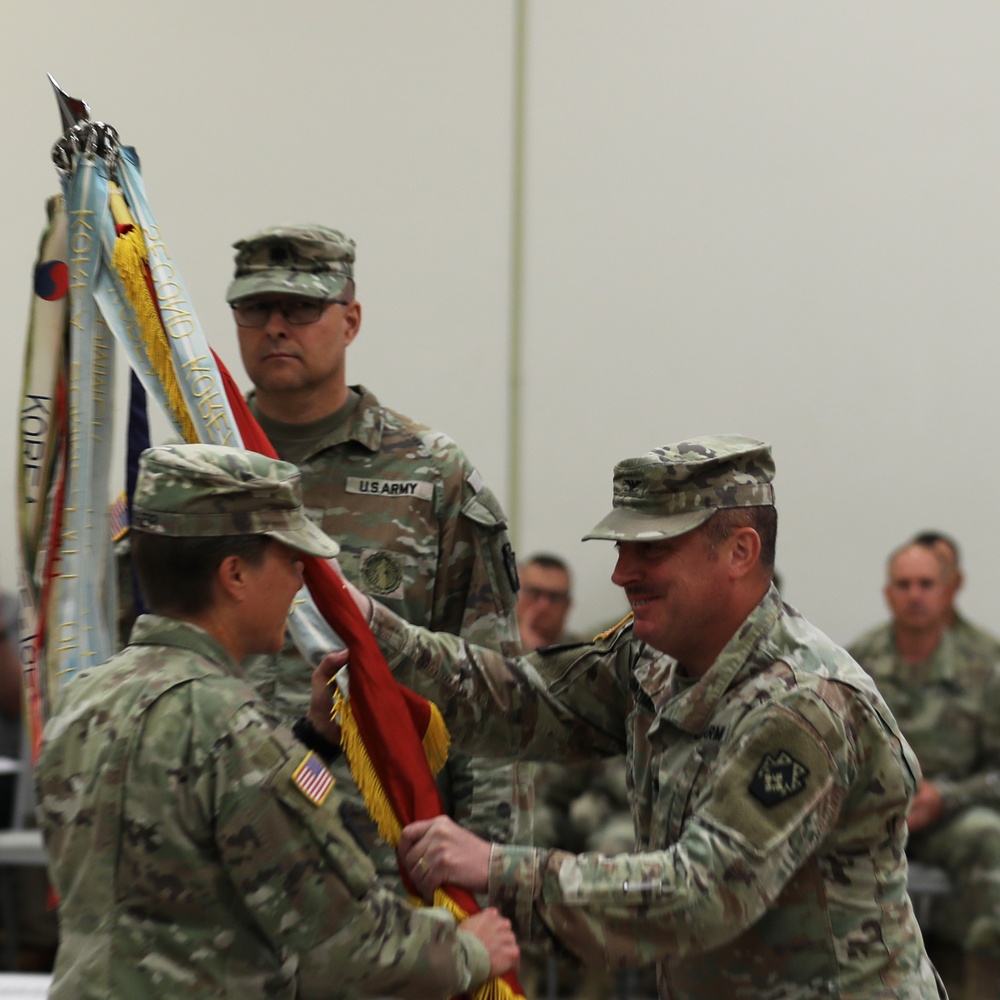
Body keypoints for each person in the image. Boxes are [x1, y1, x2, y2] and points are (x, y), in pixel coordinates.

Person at [328, 434, 944, 999]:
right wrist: (375, 635)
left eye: (651, 549)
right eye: (622, 548)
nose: (623, 574)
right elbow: (522, 698)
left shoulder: (805, 704)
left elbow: (701, 894)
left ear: (739, 550)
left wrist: (494, 865)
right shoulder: (653, 656)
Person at [35, 444, 519, 1000]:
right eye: (291, 559)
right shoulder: (233, 731)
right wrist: (469, 947)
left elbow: (180, 847)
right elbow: (347, 946)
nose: (300, 580)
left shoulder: (80, 702)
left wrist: (312, 741)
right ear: (235, 574)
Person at [225, 224, 530, 887]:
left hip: (383, 870)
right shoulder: (202, 474)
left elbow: (490, 689)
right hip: (229, 867)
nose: (276, 326)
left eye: (302, 308)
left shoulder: (430, 476)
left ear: (351, 319)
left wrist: (490, 877)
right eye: (255, 308)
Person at [850, 538, 1000, 998]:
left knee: (990, 837)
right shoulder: (856, 665)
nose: (915, 594)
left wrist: (947, 796)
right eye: (904, 584)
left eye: (926, 584)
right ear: (888, 593)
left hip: (953, 815)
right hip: (874, 816)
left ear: (948, 591)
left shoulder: (985, 667)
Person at [911, 530, 1000, 660]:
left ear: (957, 580)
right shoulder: (871, 651)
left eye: (942, 568)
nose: (915, 594)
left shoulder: (988, 654)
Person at [515, 553, 578, 651]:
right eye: (535, 593)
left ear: (567, 605)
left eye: (554, 597)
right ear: (516, 596)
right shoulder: (491, 647)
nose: (544, 604)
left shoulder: (583, 653)